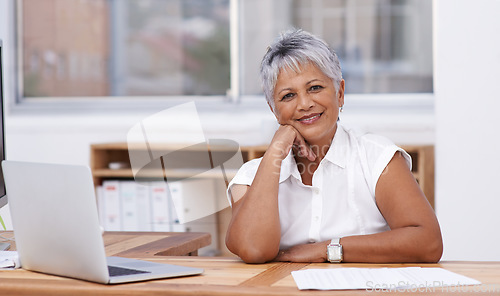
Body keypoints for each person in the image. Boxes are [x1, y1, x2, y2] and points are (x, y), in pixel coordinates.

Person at [225, 29, 443, 264]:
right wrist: (275, 151)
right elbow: (254, 250)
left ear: (339, 93)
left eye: (315, 88)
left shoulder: (376, 157)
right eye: (288, 96)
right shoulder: (250, 177)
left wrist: (327, 249)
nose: (305, 104)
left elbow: (427, 242)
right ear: (273, 109)